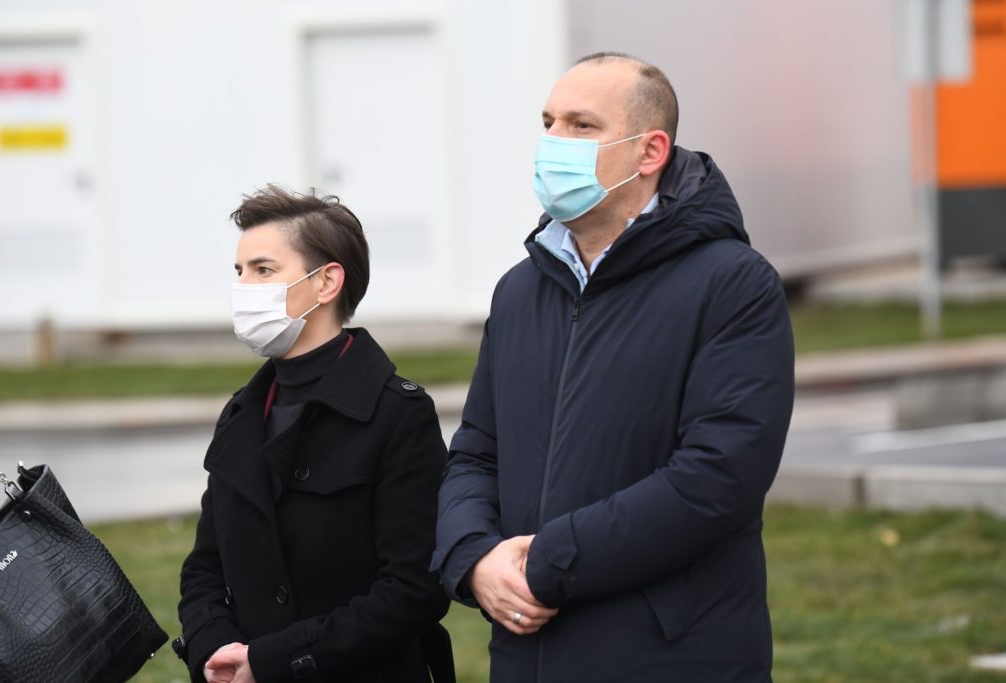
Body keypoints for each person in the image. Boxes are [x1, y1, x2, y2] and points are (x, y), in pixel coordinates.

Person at [432, 52, 795, 682]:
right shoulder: (519, 291)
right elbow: (476, 454)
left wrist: (547, 562)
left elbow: (718, 477)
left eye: (581, 125)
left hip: (671, 656)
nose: (554, 142)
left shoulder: (733, 284)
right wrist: (475, 559)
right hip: (527, 656)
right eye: (548, 122)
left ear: (650, 152)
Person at [176, 185, 453, 683]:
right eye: (239, 271)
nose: (244, 286)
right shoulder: (241, 414)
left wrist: (274, 662)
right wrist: (214, 650)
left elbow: (414, 588)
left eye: (263, 270)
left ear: (326, 282)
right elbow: (204, 568)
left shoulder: (398, 414)